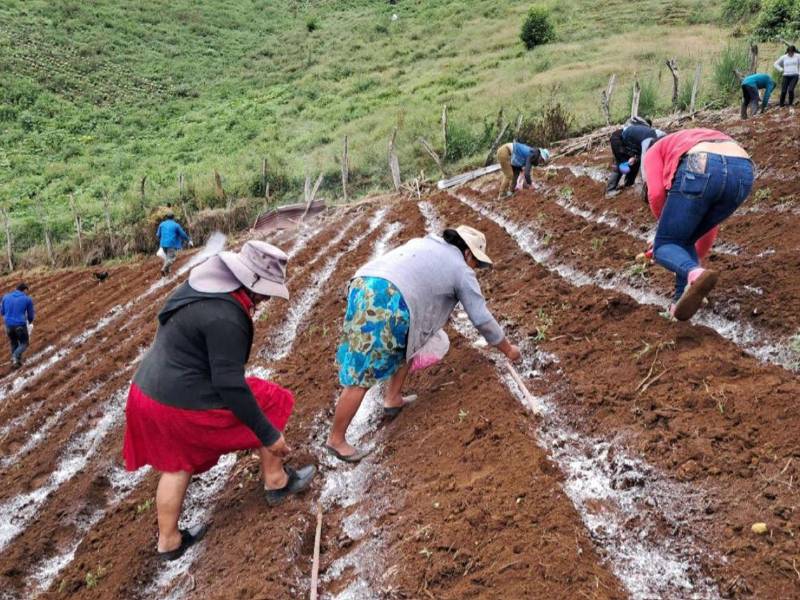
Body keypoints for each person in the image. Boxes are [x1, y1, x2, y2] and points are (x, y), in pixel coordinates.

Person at [123, 241, 316, 561]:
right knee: (269, 399)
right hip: (179, 401)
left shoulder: (201, 286)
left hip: (146, 392)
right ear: (250, 283)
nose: (267, 298)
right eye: (265, 291)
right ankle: (277, 481)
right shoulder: (226, 317)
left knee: (177, 462)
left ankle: (169, 541)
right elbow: (229, 384)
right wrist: (269, 435)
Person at [325, 225, 522, 462]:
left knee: (409, 340)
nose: (474, 269)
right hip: (384, 296)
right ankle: (336, 440)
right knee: (363, 371)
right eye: (476, 263)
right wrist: (508, 349)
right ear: (468, 253)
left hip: (364, 283)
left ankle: (393, 399)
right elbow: (481, 318)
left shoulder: (426, 243)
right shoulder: (461, 269)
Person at [642, 128, 754, 321]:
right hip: (744, 169)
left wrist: (666, 238)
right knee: (683, 240)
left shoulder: (654, 151)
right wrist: (682, 256)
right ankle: (679, 303)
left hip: (699, 161)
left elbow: (656, 194)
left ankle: (693, 274)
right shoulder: (686, 138)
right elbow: (703, 233)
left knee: (664, 246)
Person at [607, 118, 665, 195]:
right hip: (619, 142)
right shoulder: (644, 135)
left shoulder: (647, 135)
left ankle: (628, 185)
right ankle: (610, 190)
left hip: (631, 145)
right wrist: (645, 179)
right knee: (621, 165)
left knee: (635, 164)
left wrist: (635, 158)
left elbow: (641, 153)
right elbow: (644, 156)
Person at [1, 283, 35, 368]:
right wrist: (29, 322)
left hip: (8, 325)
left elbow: (2, 312)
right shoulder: (27, 299)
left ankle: (16, 363)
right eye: (26, 292)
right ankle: (15, 357)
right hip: (20, 325)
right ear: (24, 290)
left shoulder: (6, 297)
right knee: (24, 343)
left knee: (14, 342)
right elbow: (31, 315)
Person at [156, 211, 192, 276]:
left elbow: (158, 235)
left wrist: (163, 240)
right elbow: (183, 234)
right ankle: (164, 269)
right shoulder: (176, 225)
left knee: (167, 258)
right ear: (173, 217)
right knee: (171, 258)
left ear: (166, 217)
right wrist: (189, 240)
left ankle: (167, 275)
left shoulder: (162, 224)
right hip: (171, 244)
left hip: (163, 245)